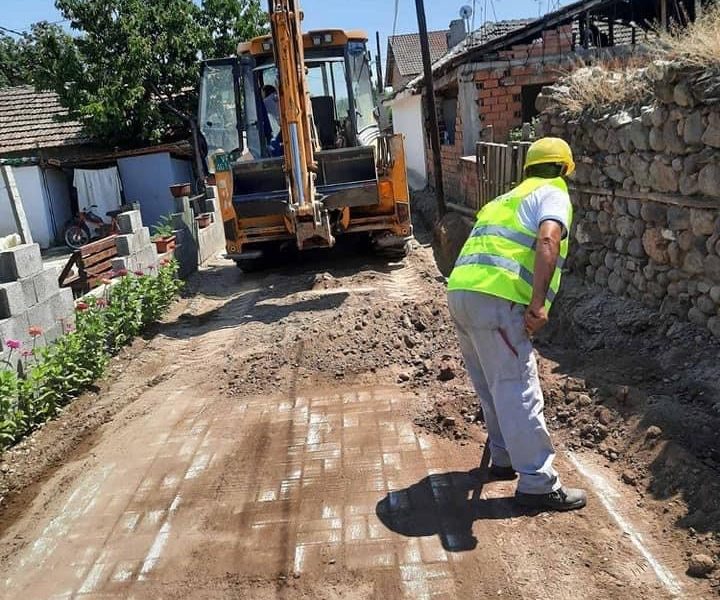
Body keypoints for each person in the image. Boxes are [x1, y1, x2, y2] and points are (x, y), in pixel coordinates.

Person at [447, 137, 587, 512]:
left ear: (526, 168)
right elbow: (548, 239)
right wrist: (538, 305)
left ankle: (505, 457)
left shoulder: (501, 201)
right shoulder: (553, 192)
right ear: (562, 169)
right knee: (516, 387)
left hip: (460, 292)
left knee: (491, 385)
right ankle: (538, 484)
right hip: (496, 299)